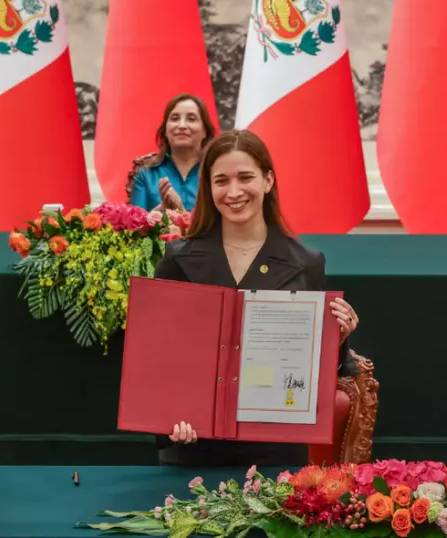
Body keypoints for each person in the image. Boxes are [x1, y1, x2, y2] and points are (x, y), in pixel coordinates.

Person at [152, 129, 360, 466]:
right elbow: (158, 356)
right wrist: (168, 417)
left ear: (268, 181)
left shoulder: (306, 263)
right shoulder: (177, 259)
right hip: (194, 450)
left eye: (245, 177)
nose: (234, 192)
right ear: (209, 188)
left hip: (275, 451)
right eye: (221, 181)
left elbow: (325, 370)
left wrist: (339, 336)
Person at [130, 93, 217, 213]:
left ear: (205, 131)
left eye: (191, 119)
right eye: (175, 118)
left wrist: (181, 211)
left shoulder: (216, 171)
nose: (182, 125)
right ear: (165, 130)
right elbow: (135, 222)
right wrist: (161, 210)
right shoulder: (146, 174)